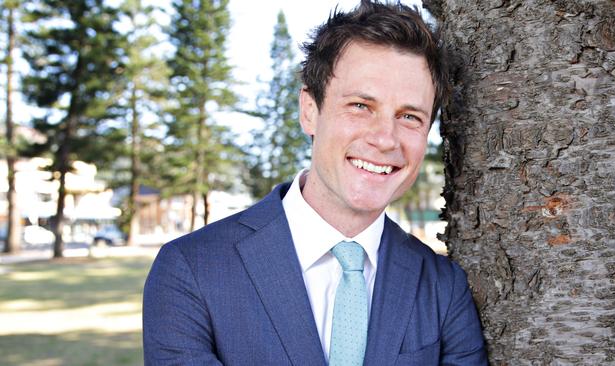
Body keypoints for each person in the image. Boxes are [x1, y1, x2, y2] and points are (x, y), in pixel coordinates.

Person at [143, 1, 487, 365]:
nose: (385, 139)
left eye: (409, 116)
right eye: (360, 106)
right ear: (309, 110)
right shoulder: (191, 270)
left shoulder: (443, 288)